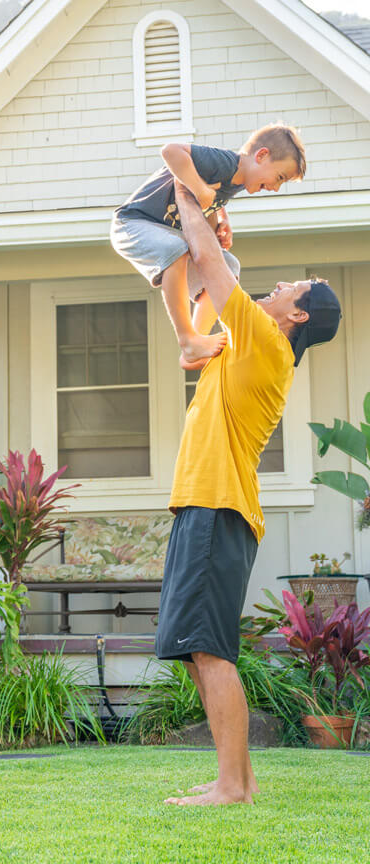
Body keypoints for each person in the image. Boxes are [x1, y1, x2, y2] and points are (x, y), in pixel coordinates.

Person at [155, 181, 341, 806]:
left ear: (299, 316)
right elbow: (201, 314)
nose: (278, 286)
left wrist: (189, 196)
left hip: (219, 504)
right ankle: (237, 778)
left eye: (291, 287)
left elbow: (207, 265)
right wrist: (213, 244)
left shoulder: (267, 345)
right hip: (203, 504)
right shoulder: (243, 344)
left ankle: (233, 787)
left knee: (209, 649)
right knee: (194, 651)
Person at [111, 124, 306, 369]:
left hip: (164, 231)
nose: (276, 188)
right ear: (262, 155)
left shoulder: (235, 180)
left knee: (228, 264)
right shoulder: (225, 162)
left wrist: (222, 220)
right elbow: (171, 151)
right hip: (133, 223)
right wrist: (199, 188)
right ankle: (187, 339)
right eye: (279, 178)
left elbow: (214, 199)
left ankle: (195, 343)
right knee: (175, 249)